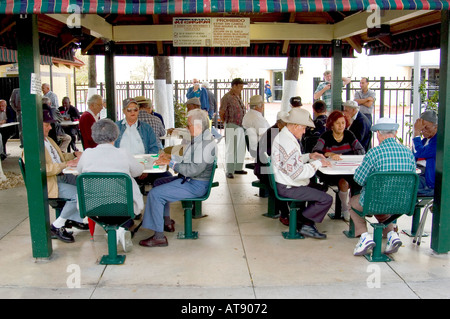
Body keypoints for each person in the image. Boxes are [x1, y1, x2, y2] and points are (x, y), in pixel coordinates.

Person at [139, 109, 217, 247]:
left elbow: (191, 170)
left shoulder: (204, 144)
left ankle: (159, 237)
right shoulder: (201, 139)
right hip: (193, 181)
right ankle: (166, 222)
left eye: (188, 125)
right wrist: (170, 157)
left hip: (196, 185)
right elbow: (188, 159)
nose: (187, 128)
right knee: (158, 182)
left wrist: (170, 162)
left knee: (155, 194)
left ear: (197, 125)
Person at [77, 118, 145, 252]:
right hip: (122, 205)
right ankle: (120, 229)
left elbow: (79, 171)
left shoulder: (87, 154)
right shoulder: (123, 153)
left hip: (93, 205)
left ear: (94, 135)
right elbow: (137, 172)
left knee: (105, 205)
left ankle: (117, 230)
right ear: (116, 134)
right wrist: (142, 165)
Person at [350, 117, 416, 256]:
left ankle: (364, 237)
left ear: (378, 133)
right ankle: (392, 235)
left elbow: (359, 179)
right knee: (383, 202)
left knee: (353, 203)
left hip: (377, 201)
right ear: (396, 132)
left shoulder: (374, 153)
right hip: (403, 203)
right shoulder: (408, 153)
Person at [272, 108, 333, 239]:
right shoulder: (289, 143)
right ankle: (305, 223)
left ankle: (302, 220)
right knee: (326, 199)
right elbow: (297, 173)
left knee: (320, 189)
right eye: (303, 128)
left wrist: (309, 156)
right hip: (289, 186)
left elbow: (292, 161)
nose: (304, 131)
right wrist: (318, 164)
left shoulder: (284, 136)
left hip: (284, 182)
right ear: (295, 126)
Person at [36, 109, 88, 243]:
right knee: (79, 194)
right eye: (46, 124)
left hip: (60, 176)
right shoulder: (33, 146)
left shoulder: (48, 140)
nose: (50, 127)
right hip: (50, 182)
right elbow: (42, 169)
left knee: (86, 185)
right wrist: (65, 165)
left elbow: (60, 157)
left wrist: (74, 155)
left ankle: (74, 218)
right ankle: (56, 226)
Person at [312, 110, 365, 221]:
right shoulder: (325, 136)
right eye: (338, 123)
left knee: (358, 182)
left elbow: (360, 150)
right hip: (331, 171)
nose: (341, 126)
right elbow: (316, 152)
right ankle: (345, 209)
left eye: (343, 123)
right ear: (332, 125)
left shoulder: (349, 134)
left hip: (348, 169)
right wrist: (329, 154)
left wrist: (345, 155)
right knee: (343, 183)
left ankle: (354, 208)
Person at [115, 98, 170, 189]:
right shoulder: (116, 127)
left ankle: (157, 200)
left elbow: (154, 148)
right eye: (129, 110)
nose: (133, 112)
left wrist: (146, 169)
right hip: (122, 168)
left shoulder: (146, 128)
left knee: (166, 176)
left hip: (143, 166)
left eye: (135, 109)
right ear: (124, 111)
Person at [254, 111, 290, 224]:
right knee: (279, 184)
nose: (288, 127)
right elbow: (272, 157)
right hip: (265, 171)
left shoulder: (277, 132)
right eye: (286, 124)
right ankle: (285, 214)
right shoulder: (273, 134)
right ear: (279, 124)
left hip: (269, 169)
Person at [219, 78, 247, 179]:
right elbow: (221, 111)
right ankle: (229, 170)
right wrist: (226, 123)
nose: (241, 89)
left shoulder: (238, 96)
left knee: (240, 147)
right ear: (234, 86)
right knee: (231, 148)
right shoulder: (227, 97)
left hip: (240, 125)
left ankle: (238, 168)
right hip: (231, 124)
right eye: (240, 87)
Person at [412, 110, 437, 197]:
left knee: (407, 185)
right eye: (422, 128)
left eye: (426, 127)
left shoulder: (437, 141)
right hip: (418, 173)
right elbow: (415, 154)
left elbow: (420, 152)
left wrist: (417, 133)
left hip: (427, 178)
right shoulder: (425, 141)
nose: (423, 130)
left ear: (436, 127)